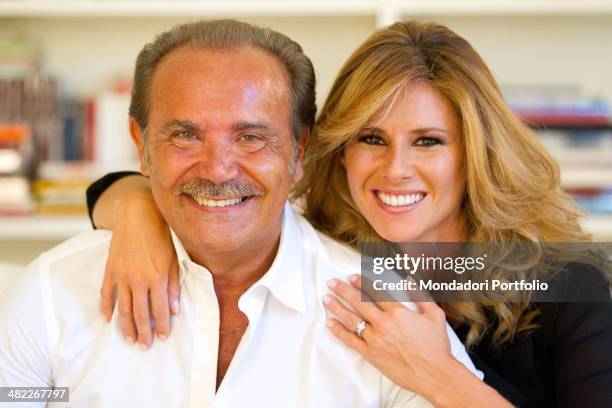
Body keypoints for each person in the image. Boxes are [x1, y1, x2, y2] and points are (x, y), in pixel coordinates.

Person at [85, 21, 612, 407]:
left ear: (474, 152)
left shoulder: (571, 285)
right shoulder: (324, 242)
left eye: (427, 141)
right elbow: (146, 188)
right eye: (371, 139)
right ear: (336, 148)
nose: (395, 169)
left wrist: (439, 375)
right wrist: (138, 215)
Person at [0, 19, 483, 407]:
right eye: (185, 135)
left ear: (300, 151)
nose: (217, 168)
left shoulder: (389, 314)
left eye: (251, 137)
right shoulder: (56, 293)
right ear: (141, 146)